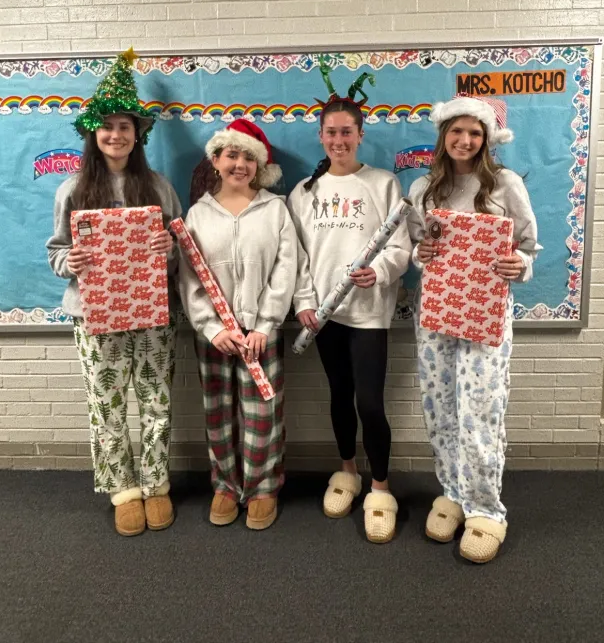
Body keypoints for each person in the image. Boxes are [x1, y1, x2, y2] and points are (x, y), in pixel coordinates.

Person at [46, 48, 182, 537]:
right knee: (106, 403)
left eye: (124, 126)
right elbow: (57, 252)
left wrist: (167, 248)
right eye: (106, 126)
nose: (115, 134)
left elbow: (176, 254)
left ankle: (155, 483)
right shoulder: (72, 189)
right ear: (92, 133)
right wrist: (72, 262)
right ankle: (123, 489)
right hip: (94, 314)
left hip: (151, 313)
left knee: (155, 400)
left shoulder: (159, 187)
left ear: (137, 134)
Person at [407, 96, 540, 564]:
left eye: (475, 133)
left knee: (480, 409)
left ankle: (486, 509)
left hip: (485, 315)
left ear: (487, 139)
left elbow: (529, 247)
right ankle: (452, 492)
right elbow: (415, 247)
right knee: (440, 405)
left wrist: (517, 264)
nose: (465, 140)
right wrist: (418, 256)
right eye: (456, 131)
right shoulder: (424, 186)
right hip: (439, 314)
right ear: (443, 135)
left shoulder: (504, 184)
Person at [287, 71, 411, 545]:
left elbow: (399, 248)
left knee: (369, 402)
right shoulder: (303, 192)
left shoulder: (382, 185)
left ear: (361, 135)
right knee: (339, 396)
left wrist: (377, 273)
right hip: (322, 314)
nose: (339, 139)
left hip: (369, 314)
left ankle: (380, 488)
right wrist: (303, 302)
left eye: (347, 132)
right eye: (331, 132)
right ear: (320, 136)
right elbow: (293, 255)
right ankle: (347, 472)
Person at [180, 119, 296, 531]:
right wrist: (212, 328)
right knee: (218, 411)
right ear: (216, 160)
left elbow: (286, 269)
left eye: (250, 156)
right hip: (216, 336)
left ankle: (263, 486)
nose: (240, 164)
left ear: (260, 164)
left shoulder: (275, 208)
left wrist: (266, 323)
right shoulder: (197, 214)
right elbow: (189, 278)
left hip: (260, 333)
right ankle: (226, 484)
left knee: (262, 411)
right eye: (232, 154)